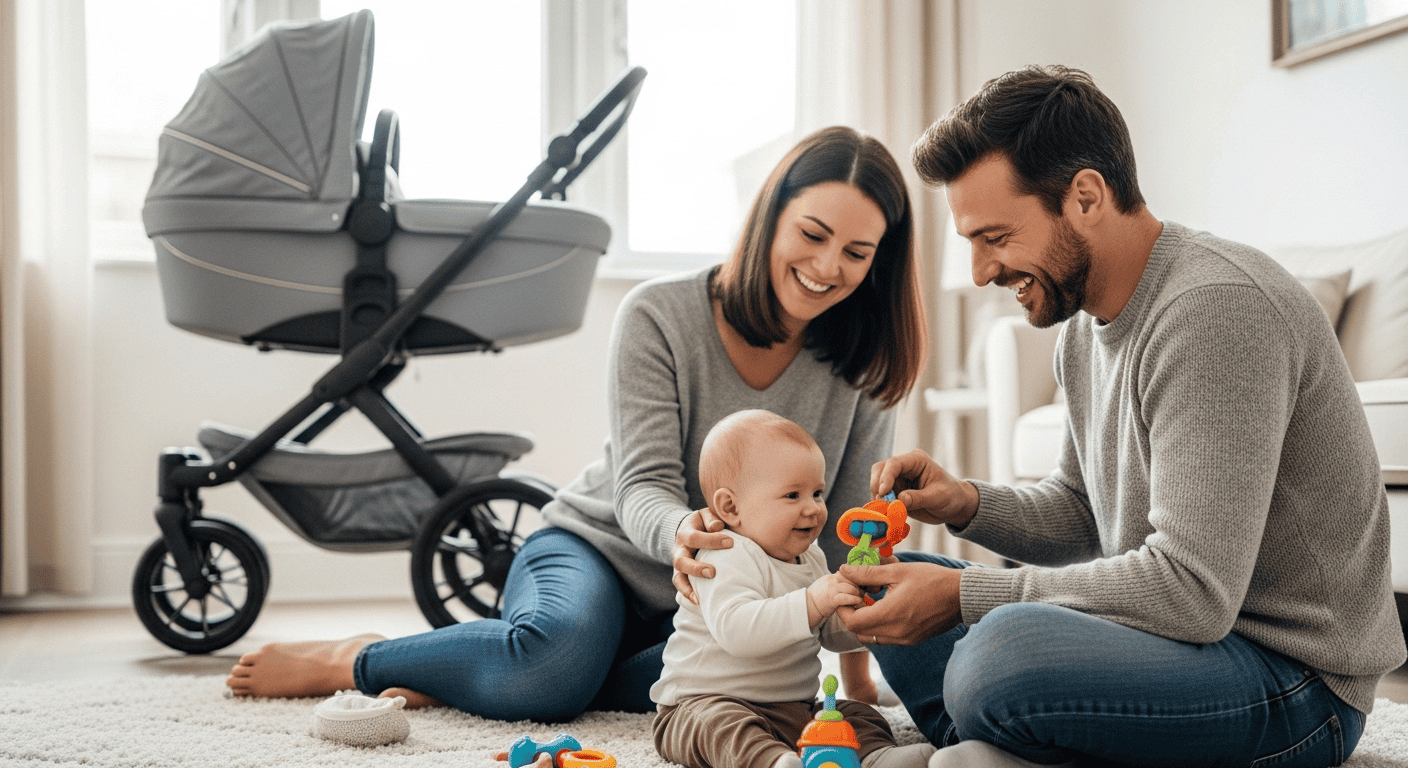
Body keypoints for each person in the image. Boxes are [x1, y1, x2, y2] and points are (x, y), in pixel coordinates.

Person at [224, 125, 926, 724]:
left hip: (722, 598)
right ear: (771, 216)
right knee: (552, 674)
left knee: (713, 690)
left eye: (857, 254)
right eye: (812, 234)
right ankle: (358, 657)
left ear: (878, 262)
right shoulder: (662, 314)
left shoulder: (865, 364)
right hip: (601, 549)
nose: (827, 267)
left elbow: (847, 528)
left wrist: (856, 670)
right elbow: (643, 483)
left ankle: (462, 671)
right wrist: (682, 532)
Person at [835, 64, 1408, 768]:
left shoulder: (1215, 309)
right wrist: (965, 503)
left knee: (995, 654)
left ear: (1085, 196)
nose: (982, 272)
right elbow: (1083, 512)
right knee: (891, 580)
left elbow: (1194, 592)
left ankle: (994, 745)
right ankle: (1007, 750)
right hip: (1181, 646)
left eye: (995, 236)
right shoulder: (1083, 329)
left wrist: (967, 595)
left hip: (1292, 682)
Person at [652, 409, 935, 768]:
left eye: (817, 492)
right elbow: (738, 631)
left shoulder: (811, 558)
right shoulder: (722, 552)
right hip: (701, 704)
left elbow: (830, 634)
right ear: (731, 507)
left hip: (791, 708)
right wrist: (814, 600)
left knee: (855, 715)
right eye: (792, 496)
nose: (813, 509)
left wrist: (865, 608)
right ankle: (773, 762)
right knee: (725, 730)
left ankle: (876, 757)